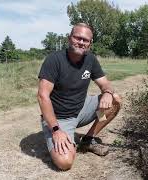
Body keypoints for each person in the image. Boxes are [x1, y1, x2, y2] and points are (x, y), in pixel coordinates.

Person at [37, 23, 121, 170]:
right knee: (65, 162)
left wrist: (107, 93)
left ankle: (87, 140)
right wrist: (56, 130)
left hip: (81, 109)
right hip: (59, 118)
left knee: (115, 99)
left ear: (90, 43)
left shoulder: (91, 59)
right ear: (69, 38)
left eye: (85, 40)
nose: (81, 42)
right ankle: (61, 135)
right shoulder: (54, 60)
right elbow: (43, 96)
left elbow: (105, 83)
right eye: (77, 38)